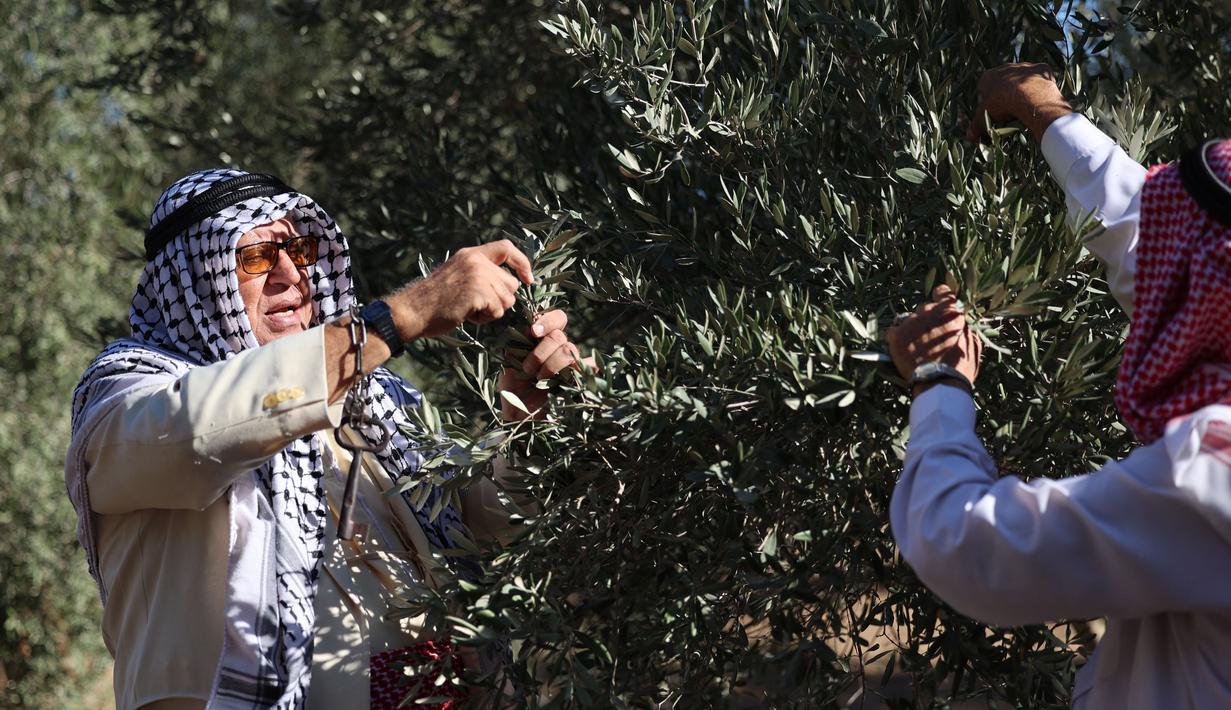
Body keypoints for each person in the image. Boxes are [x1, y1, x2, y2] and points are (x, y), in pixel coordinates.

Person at [65, 168, 592, 709]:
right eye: (256, 258)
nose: (291, 274)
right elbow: (205, 430)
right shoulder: (127, 398)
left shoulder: (375, 399)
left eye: (300, 248)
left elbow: (480, 524)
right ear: (200, 279)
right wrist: (407, 313)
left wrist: (528, 422)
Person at [886, 63, 1231, 708]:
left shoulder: (1208, 473)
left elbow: (963, 544)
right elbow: (1149, 238)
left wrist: (938, 382)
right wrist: (1043, 109)